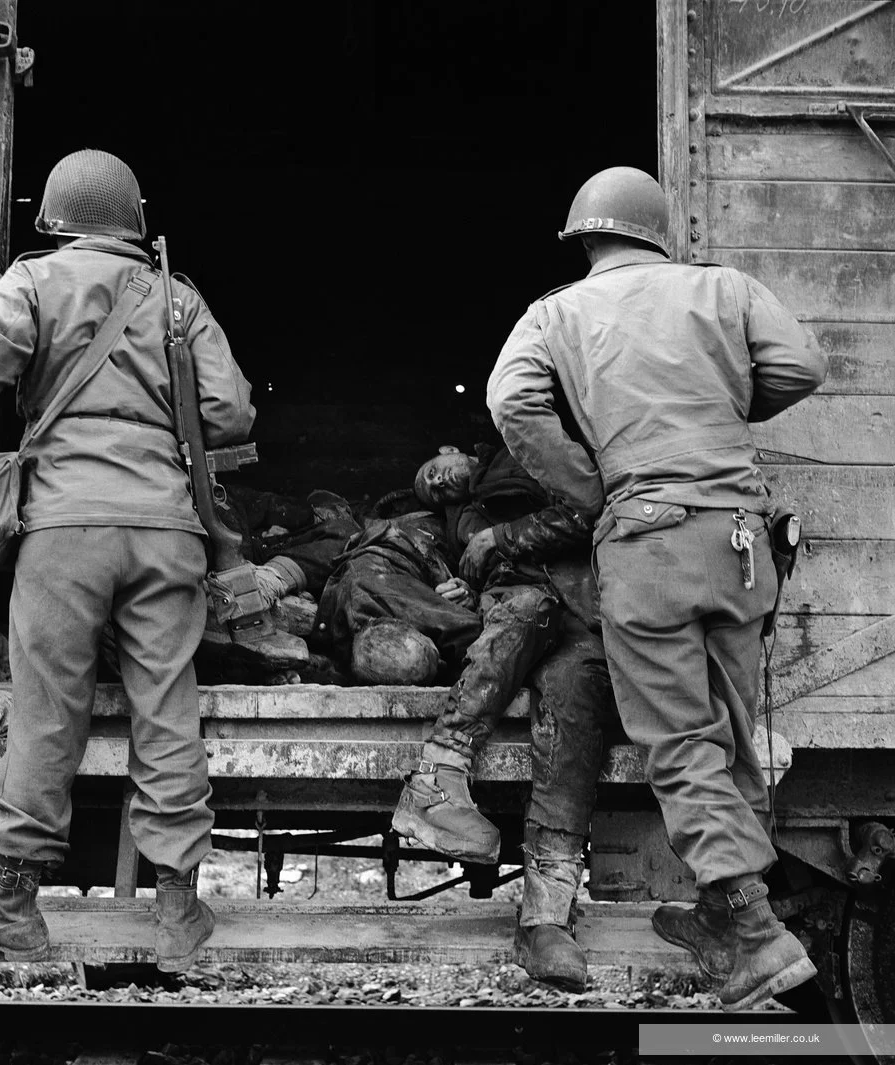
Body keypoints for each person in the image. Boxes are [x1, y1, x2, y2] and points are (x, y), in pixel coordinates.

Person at [0, 149, 255, 973]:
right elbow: (230, 414)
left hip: (65, 532)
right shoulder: (177, 298)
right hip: (167, 531)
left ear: (55, 216)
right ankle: (179, 906)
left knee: (49, 709)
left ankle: (14, 904)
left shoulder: (36, 280)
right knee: (167, 702)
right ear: (134, 220)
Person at [486, 166, 828, 1010]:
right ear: (657, 232)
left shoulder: (556, 313)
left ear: (586, 237)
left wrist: (594, 483)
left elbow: (512, 401)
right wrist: (719, 403)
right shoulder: (726, 289)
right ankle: (722, 908)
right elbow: (803, 366)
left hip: (650, 546)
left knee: (679, 742)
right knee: (732, 731)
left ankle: (754, 931)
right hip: (741, 543)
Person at [355, 442, 617, 991]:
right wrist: (460, 585)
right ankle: (435, 782)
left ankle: (546, 916)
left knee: (576, 697)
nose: (440, 484)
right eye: (433, 490)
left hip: (583, 612)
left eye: (438, 472)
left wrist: (499, 538)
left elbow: (588, 508)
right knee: (524, 610)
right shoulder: (458, 521)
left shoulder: (518, 454)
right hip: (523, 607)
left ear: (454, 449)